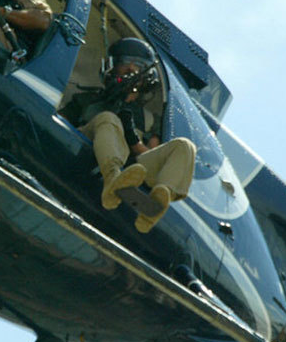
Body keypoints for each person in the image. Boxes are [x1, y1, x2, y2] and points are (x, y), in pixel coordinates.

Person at [67, 38, 197, 233]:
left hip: (133, 170)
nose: (131, 70)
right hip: (86, 149)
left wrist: (133, 139)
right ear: (112, 66)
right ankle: (112, 179)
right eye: (125, 63)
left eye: (139, 66)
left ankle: (160, 197)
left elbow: (152, 154)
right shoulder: (85, 100)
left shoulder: (148, 119)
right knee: (108, 118)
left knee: (185, 146)